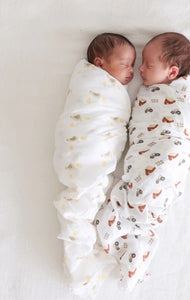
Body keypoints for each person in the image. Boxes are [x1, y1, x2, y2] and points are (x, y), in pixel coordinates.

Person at [95, 32, 190, 291]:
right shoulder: (151, 90)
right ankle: (135, 247)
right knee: (130, 206)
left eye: (148, 65)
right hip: (149, 156)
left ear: (172, 72)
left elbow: (178, 132)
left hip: (166, 154)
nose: (140, 68)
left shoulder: (177, 96)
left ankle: (136, 243)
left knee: (133, 203)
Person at [53, 33, 136, 298]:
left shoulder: (105, 88)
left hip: (90, 154)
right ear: (99, 65)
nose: (131, 71)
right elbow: (88, 116)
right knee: (80, 206)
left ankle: (85, 261)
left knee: (85, 206)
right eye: (125, 64)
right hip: (83, 156)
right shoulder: (91, 84)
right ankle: (79, 269)